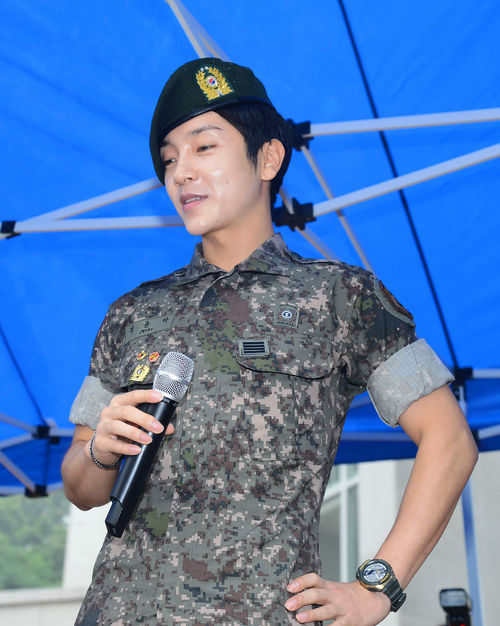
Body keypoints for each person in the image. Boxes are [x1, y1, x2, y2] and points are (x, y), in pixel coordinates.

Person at [62, 58, 478, 626]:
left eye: (203, 147)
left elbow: (449, 439)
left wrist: (377, 588)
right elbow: (81, 488)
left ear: (268, 158)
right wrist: (99, 450)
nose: (181, 172)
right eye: (169, 158)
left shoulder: (340, 296)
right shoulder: (131, 312)